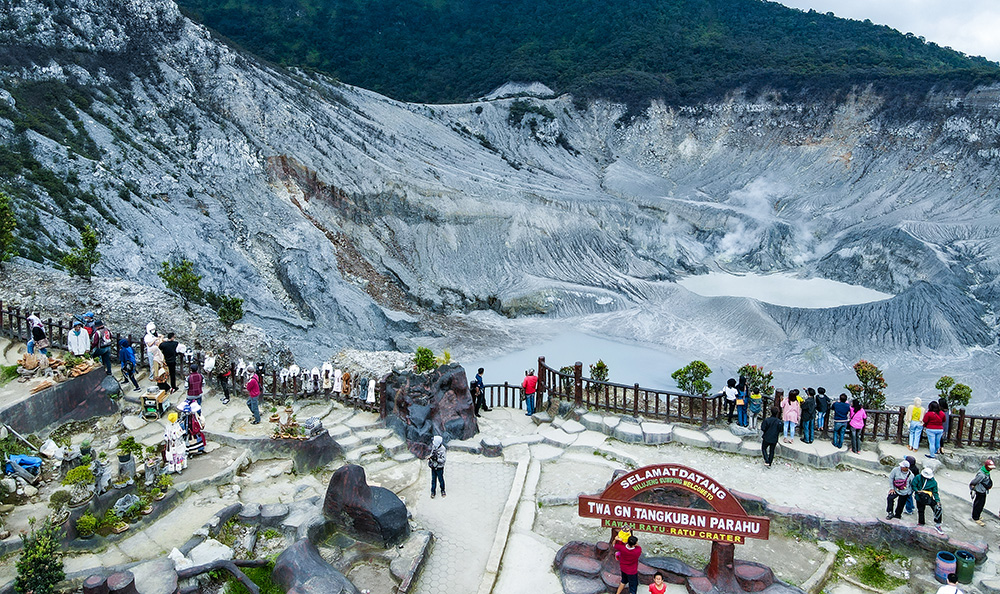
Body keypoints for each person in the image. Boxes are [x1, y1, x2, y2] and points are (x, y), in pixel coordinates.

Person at [911, 467, 944, 533]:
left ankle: (938, 524)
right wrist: (917, 491)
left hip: (928, 497)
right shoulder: (918, 477)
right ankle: (921, 522)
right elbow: (913, 485)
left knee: (937, 509)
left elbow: (935, 492)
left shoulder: (933, 482)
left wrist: (937, 501)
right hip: (919, 497)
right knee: (920, 510)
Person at [970, 459, 995, 526]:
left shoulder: (986, 472)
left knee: (981, 504)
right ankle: (975, 517)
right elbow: (974, 482)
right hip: (980, 491)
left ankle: (978, 515)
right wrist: (972, 488)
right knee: (978, 504)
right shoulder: (981, 474)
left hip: (983, 491)